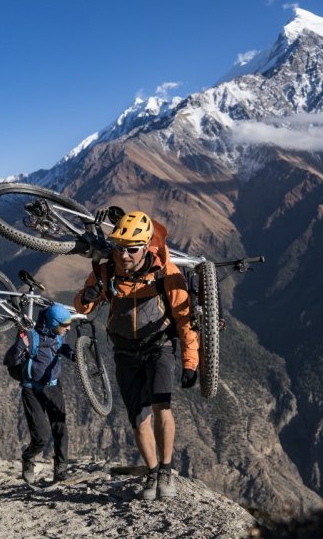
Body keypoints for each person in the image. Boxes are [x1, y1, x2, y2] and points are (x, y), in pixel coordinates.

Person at [73, 210, 198, 500]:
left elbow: (184, 319)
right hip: (124, 351)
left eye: (131, 249)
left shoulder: (166, 272)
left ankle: (166, 471)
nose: (124, 255)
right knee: (137, 418)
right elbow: (83, 309)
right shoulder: (106, 271)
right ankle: (152, 473)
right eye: (119, 248)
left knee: (161, 406)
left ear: (144, 247)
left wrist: (191, 363)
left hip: (159, 347)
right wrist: (87, 298)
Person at [3, 302, 75, 484]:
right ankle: (28, 457)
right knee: (41, 436)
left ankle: (61, 468)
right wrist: (19, 344)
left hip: (53, 386)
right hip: (31, 390)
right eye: (65, 325)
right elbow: (11, 360)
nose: (69, 327)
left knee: (60, 428)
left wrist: (74, 355)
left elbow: (63, 346)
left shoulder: (58, 336)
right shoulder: (31, 336)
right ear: (53, 323)